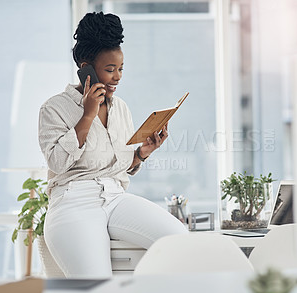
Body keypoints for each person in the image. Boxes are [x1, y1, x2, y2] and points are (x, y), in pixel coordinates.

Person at [38, 12, 188, 278]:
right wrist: (87, 114)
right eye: (109, 70)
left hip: (115, 197)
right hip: (73, 203)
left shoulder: (120, 108)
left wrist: (142, 153)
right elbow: (58, 163)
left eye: (120, 69)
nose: (117, 77)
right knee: (97, 287)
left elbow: (115, 163)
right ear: (86, 68)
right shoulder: (54, 108)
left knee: (180, 240)